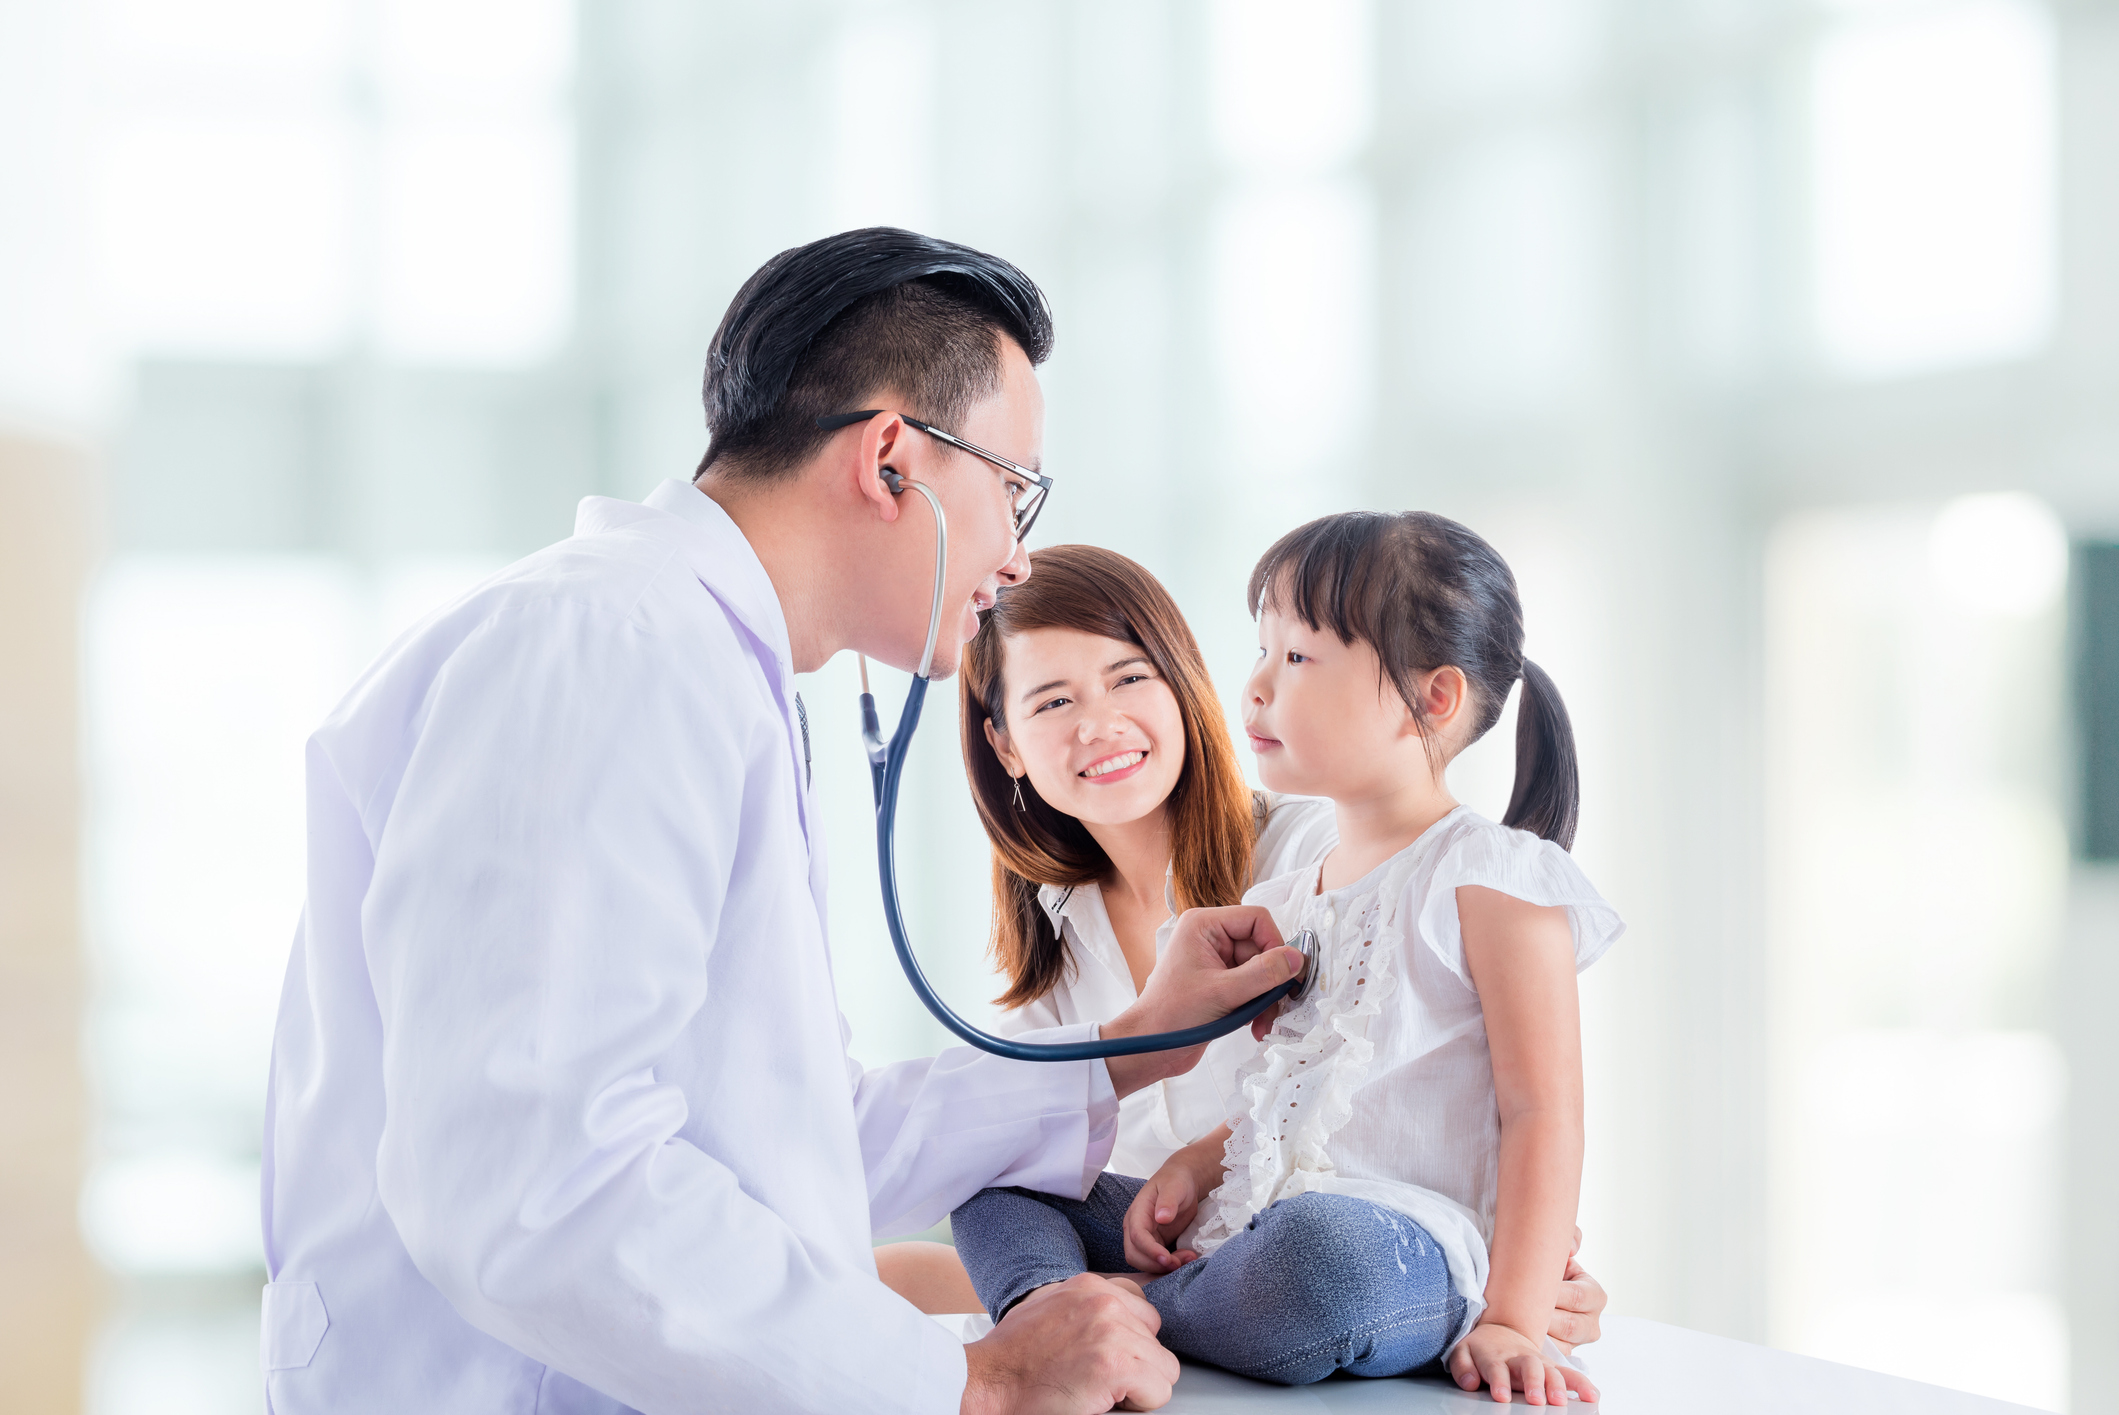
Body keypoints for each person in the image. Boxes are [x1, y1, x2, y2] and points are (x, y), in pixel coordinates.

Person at [258, 228, 1307, 1415]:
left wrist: (1121, 1050)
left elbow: (786, 1141)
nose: (1016, 555)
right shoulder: (617, 648)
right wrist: (971, 1380)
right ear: (891, 460)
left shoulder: (689, 659)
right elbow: (536, 1182)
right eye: (1015, 489)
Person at [948, 512, 1622, 1403]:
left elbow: (1542, 1113)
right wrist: (1191, 1164)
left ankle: (1133, 1311)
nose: (1257, 685)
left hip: (1382, 1238)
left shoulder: (1487, 874)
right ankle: (1052, 1308)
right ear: (1003, 741)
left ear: (1433, 699)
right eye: (1051, 700)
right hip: (1247, 1219)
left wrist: (1514, 1311)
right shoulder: (1287, 896)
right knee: (993, 1171)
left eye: (1296, 657)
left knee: (1321, 1265)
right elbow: (1292, 1083)